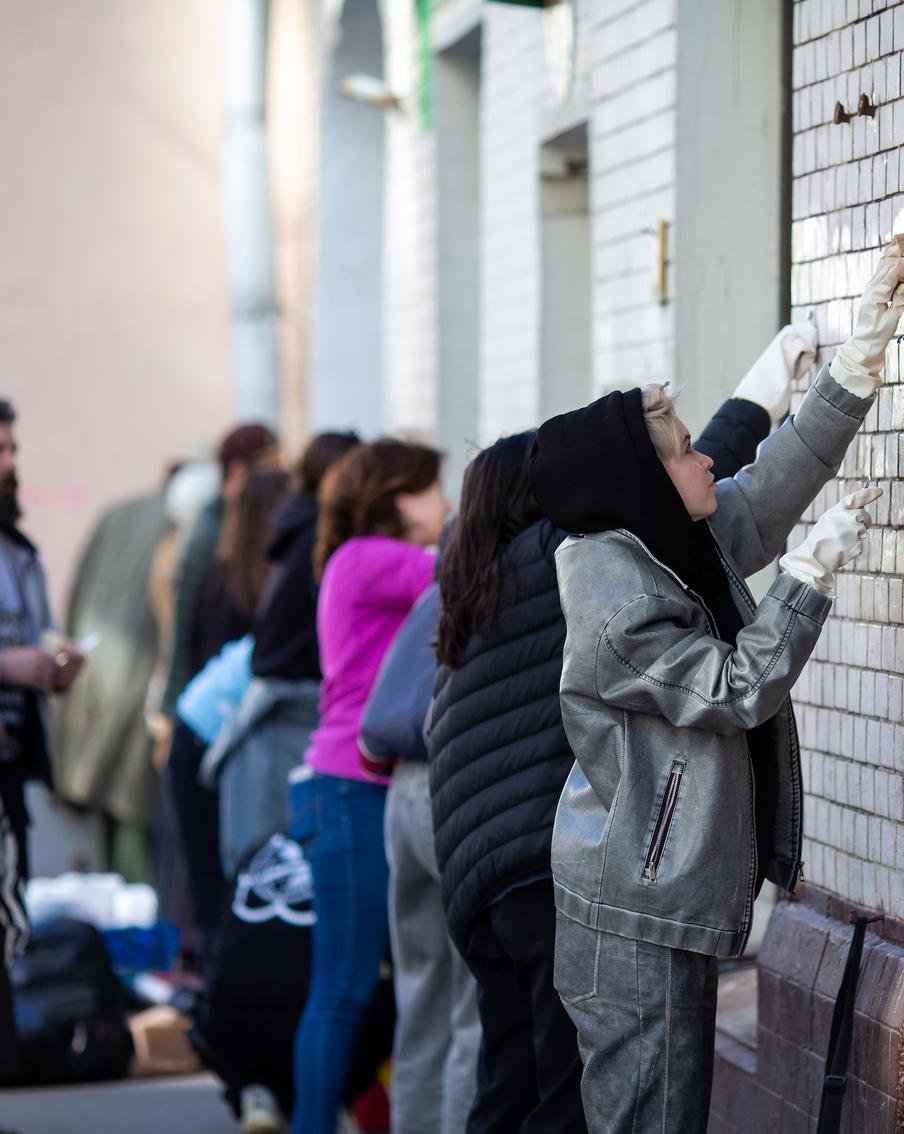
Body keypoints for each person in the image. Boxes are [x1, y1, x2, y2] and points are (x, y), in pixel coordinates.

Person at [525, 241, 903, 1133]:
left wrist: (862, 349)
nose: (708, 463)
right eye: (688, 452)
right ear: (639, 483)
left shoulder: (663, 545)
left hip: (656, 899)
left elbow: (772, 486)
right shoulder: (622, 602)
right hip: (637, 916)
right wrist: (806, 578)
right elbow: (736, 688)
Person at [426, 326, 814, 1134]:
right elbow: (683, 489)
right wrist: (759, 395)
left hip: (473, 866)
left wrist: (768, 397)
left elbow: (691, 478)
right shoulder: (587, 562)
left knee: (517, 1081)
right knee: (590, 1100)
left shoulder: (477, 577)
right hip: (555, 864)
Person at [290, 439, 450, 1134]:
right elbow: (468, 571)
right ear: (392, 498)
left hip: (349, 787)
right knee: (343, 991)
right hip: (351, 788)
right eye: (431, 490)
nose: (444, 503)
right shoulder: (371, 557)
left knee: (358, 988)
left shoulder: (354, 559)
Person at [167, 467, 288, 945]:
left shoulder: (221, 577)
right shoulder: (256, 586)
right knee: (227, 888)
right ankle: (220, 997)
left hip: (201, 729)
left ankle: (216, 990)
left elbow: (194, 657)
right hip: (215, 738)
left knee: (213, 885)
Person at [0, 399, 84, 1083]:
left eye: (13, 451)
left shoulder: (18, 550)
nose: (9, 464)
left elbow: (39, 639)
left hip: (10, 765)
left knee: (7, 931)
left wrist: (54, 669)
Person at [159, 422, 279, 721]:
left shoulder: (241, 519)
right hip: (214, 695)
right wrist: (173, 707)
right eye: (272, 468)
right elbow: (183, 620)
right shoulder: (209, 528)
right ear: (239, 471)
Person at [251, 431, 360, 683]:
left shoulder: (295, 519)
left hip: (278, 674)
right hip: (296, 683)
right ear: (334, 476)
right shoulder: (317, 532)